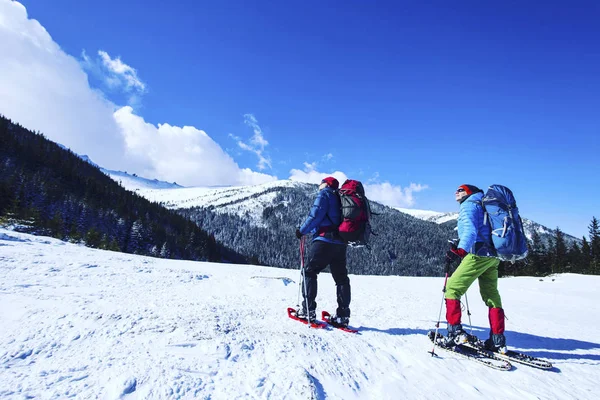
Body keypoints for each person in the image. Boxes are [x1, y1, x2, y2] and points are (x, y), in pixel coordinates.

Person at [444, 184, 507, 353]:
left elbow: (471, 231)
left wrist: (459, 251)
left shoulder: (469, 205)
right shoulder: (484, 205)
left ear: (469, 192)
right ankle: (497, 339)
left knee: (452, 289)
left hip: (477, 254)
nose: (456, 192)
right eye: (456, 189)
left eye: (461, 189)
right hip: (493, 257)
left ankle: (454, 332)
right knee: (491, 295)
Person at [295, 176, 351, 326]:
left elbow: (315, 216)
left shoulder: (325, 194)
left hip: (324, 241)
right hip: (341, 243)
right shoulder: (342, 198)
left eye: (320, 183)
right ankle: (343, 316)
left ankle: (308, 311)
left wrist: (302, 231)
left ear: (325, 184)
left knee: (309, 272)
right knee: (341, 279)